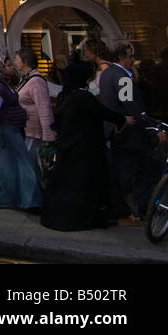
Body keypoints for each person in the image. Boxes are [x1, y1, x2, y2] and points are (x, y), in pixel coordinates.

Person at [41, 61, 130, 231]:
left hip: (67, 149)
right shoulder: (82, 97)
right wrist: (123, 119)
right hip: (83, 151)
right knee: (82, 187)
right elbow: (103, 112)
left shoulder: (66, 95)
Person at [0, 54, 43, 210]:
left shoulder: (4, 85)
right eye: (8, 65)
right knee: (23, 163)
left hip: (11, 130)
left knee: (1, 165)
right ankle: (30, 199)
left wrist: (21, 113)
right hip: (7, 132)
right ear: (0, 67)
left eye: (11, 65)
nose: (12, 67)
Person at [98, 40, 149, 225]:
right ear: (120, 57)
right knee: (133, 174)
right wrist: (149, 126)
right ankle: (133, 211)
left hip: (114, 132)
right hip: (129, 134)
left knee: (121, 172)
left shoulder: (105, 74)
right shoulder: (123, 78)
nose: (133, 60)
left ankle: (124, 210)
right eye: (130, 56)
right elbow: (131, 105)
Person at [15, 48, 56, 179]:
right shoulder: (26, 79)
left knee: (32, 166)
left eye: (17, 59)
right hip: (27, 130)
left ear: (25, 62)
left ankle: (36, 194)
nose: (16, 62)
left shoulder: (36, 81)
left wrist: (48, 136)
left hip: (34, 132)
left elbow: (44, 108)